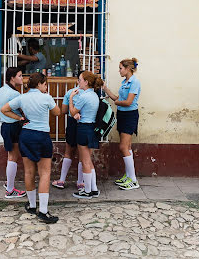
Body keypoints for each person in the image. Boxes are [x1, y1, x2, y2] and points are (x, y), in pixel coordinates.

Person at [1, 72, 60, 224]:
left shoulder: (22, 97)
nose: (46, 86)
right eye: (45, 84)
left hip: (26, 135)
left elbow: (4, 109)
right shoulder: (46, 97)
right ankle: (44, 211)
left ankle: (32, 205)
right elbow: (57, 112)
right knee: (45, 172)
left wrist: (20, 118)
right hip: (42, 136)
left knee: (29, 171)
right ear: (39, 84)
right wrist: (48, 97)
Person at [103, 58, 141, 190]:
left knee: (123, 147)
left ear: (128, 68)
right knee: (127, 147)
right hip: (123, 115)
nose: (119, 71)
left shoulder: (134, 82)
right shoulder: (124, 82)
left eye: (120, 68)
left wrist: (117, 103)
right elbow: (118, 99)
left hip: (129, 115)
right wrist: (105, 89)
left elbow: (128, 102)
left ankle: (133, 180)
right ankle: (128, 176)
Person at [69, 71, 104, 200]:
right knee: (88, 160)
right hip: (91, 127)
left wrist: (71, 98)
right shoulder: (94, 95)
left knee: (85, 161)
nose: (78, 82)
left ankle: (87, 191)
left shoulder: (84, 96)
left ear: (86, 82)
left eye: (80, 80)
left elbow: (73, 112)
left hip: (83, 128)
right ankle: (93, 188)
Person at [0, 67, 26, 199]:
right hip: (13, 126)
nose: (22, 78)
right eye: (19, 76)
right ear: (12, 78)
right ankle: (10, 190)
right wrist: (21, 118)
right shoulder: (15, 95)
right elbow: (22, 110)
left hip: (5, 125)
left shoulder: (0, 90)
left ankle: (9, 183)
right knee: (13, 157)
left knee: (10, 156)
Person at [52, 72, 84, 190]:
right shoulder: (91, 93)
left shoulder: (70, 92)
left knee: (68, 151)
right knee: (83, 153)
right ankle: (80, 182)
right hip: (85, 124)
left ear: (78, 80)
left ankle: (61, 180)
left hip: (72, 123)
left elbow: (64, 110)